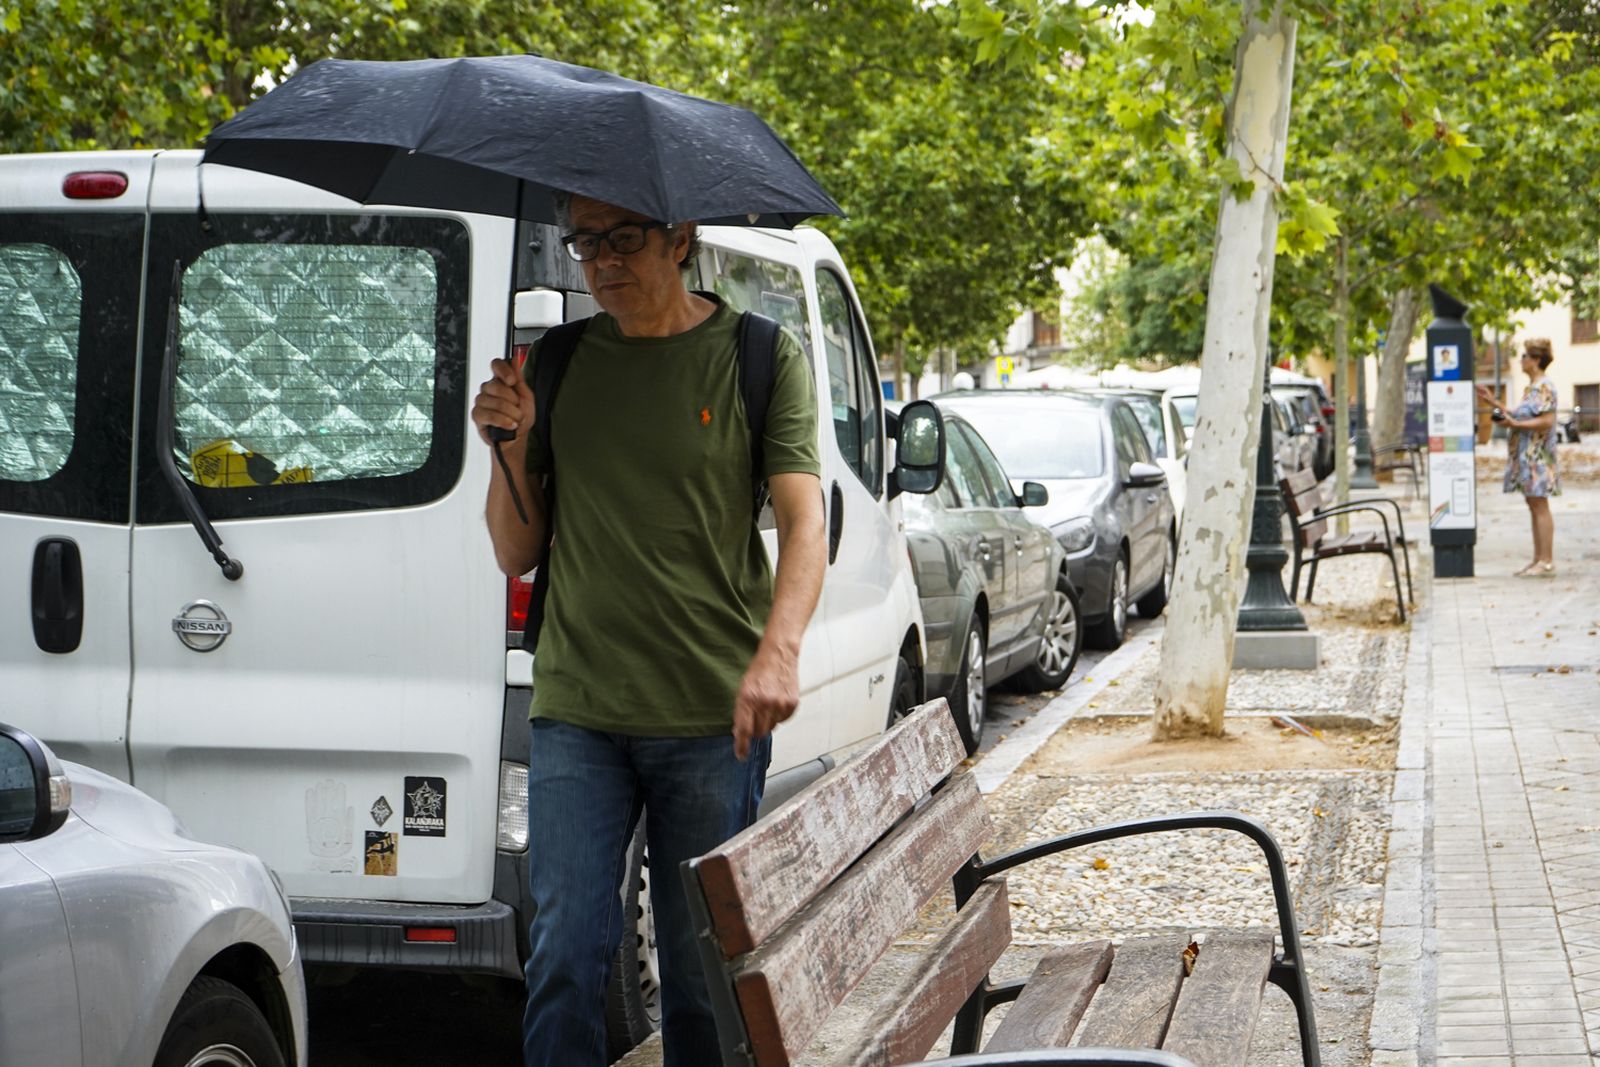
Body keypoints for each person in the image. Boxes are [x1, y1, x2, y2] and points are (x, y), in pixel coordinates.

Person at [470, 193, 826, 1067]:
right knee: (560, 958)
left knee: (701, 977)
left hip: (712, 715)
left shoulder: (756, 356)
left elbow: (806, 521)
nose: (600, 264)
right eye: (584, 243)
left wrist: (778, 653)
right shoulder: (556, 362)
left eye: (622, 240)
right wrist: (507, 445)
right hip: (578, 708)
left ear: (681, 238)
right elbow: (516, 550)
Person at [1476, 337, 1560, 576]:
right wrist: (1493, 401)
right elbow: (1519, 413)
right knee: (1533, 503)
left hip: (1538, 456)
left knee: (1540, 504)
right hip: (1527, 455)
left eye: (1524, 356)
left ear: (1535, 360)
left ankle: (1546, 561)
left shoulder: (1545, 386)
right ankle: (1538, 559)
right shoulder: (1532, 388)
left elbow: (1546, 420)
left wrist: (1515, 424)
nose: (1520, 360)